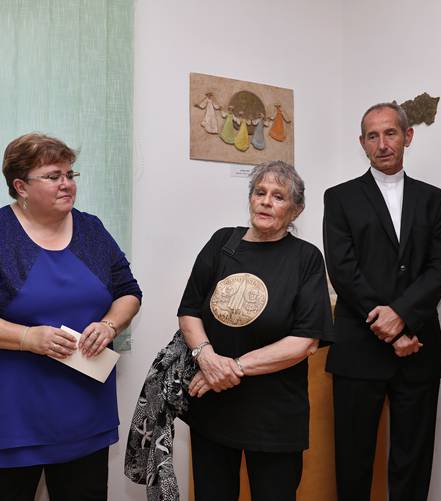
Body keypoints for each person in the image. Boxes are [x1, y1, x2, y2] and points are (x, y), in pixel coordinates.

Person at [177, 160, 334, 501]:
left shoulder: (306, 258)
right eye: (259, 192)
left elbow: (304, 341)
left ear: (296, 210)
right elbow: (189, 311)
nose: (265, 201)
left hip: (274, 419)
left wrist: (230, 368)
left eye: (278, 196)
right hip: (214, 410)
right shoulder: (222, 242)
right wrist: (206, 357)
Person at [323, 102, 441, 501]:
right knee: (353, 460)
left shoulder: (433, 199)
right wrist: (391, 326)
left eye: (390, 133)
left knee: (413, 461)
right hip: (358, 349)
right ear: (362, 143)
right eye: (373, 136)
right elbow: (343, 270)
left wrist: (403, 317)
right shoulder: (340, 198)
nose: (382, 144)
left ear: (407, 136)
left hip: (418, 348)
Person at [0, 133, 142, 501]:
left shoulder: (91, 230)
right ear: (21, 186)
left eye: (70, 174)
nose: (66, 184)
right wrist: (28, 338)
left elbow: (128, 291)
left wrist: (109, 325)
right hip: (13, 419)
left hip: (85, 414)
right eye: (53, 176)